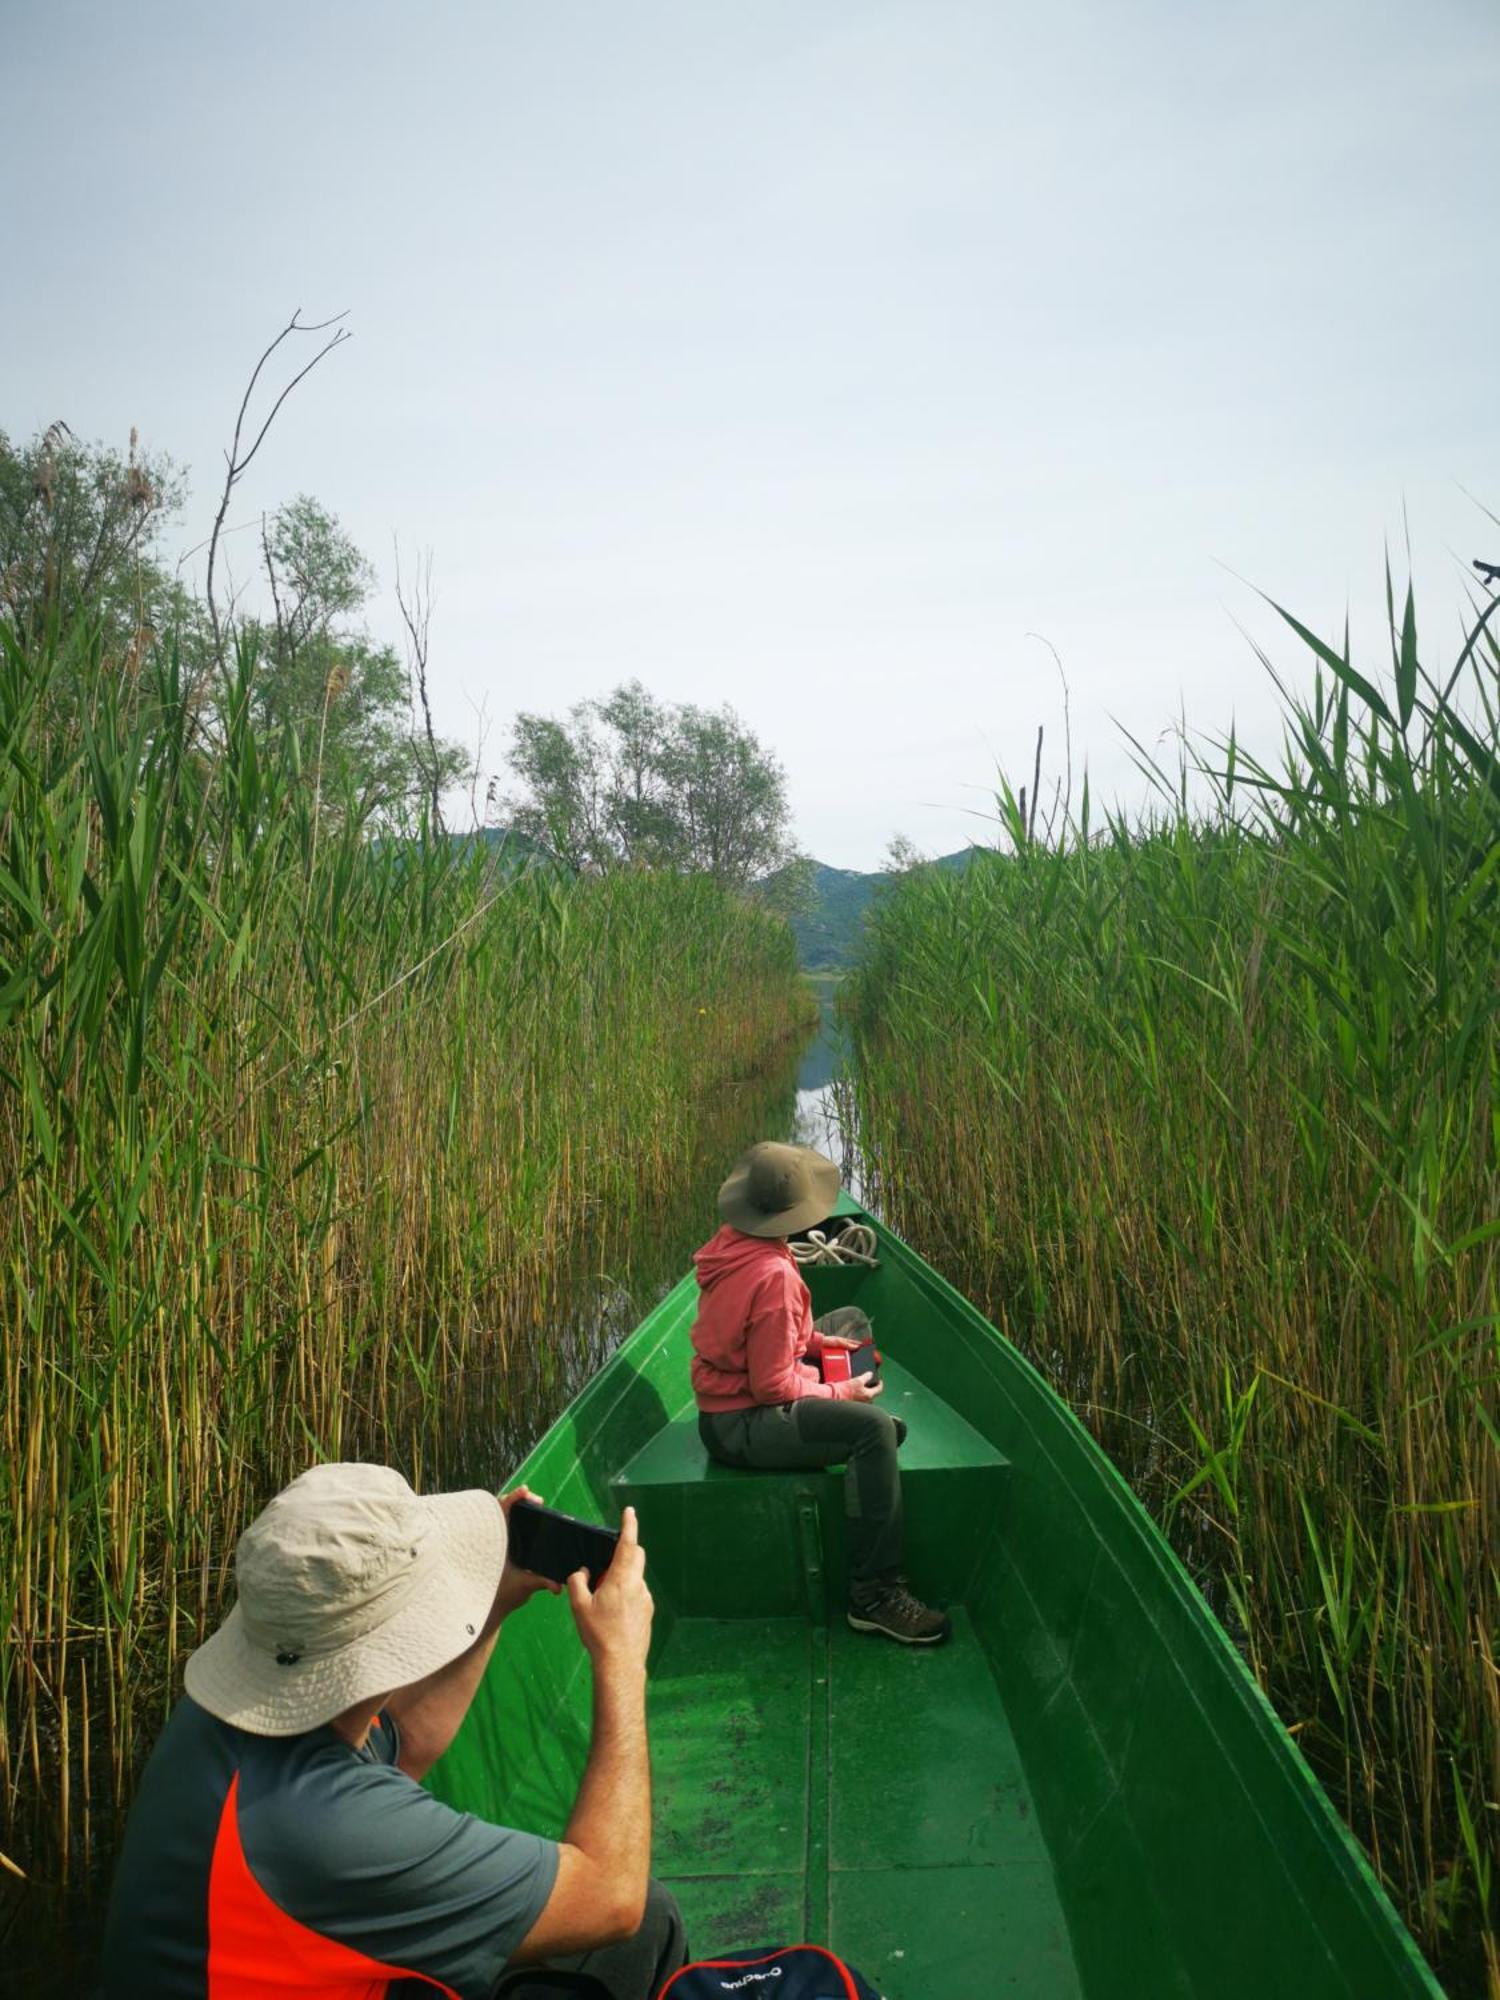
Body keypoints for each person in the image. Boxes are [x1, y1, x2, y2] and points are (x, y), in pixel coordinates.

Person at [98, 1461, 685, 2000]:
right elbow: (612, 1898)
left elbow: (404, 1745)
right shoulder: (326, 1829)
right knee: (643, 1929)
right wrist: (621, 1660)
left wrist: (494, 1602)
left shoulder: (222, 1719)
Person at [690, 1140, 950, 1647]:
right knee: (874, 1431)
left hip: (731, 1400)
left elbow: (757, 1333)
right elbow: (770, 1387)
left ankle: (842, 1397)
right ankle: (873, 1596)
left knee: (847, 1323)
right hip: (741, 1424)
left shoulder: (734, 1242)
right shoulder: (774, 1277)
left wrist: (816, 1342)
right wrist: (840, 1392)